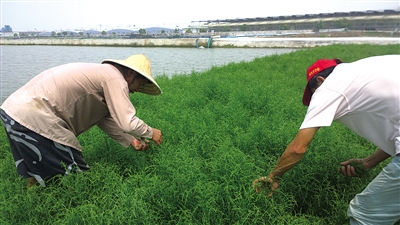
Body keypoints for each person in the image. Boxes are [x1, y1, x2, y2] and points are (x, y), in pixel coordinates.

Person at [253, 55, 400, 224]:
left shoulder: (328, 88)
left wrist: (273, 177)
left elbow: (298, 148)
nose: (316, 97)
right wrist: (368, 162)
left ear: (320, 80)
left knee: (364, 214)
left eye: (313, 93)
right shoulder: (368, 68)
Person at [0, 54, 163, 188]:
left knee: (41, 173)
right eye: (139, 85)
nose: (135, 91)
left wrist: (131, 140)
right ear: (130, 74)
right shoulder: (115, 79)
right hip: (35, 118)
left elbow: (104, 119)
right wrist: (151, 132)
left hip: (13, 113)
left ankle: (33, 203)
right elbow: (127, 122)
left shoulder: (103, 74)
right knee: (77, 182)